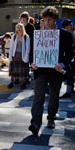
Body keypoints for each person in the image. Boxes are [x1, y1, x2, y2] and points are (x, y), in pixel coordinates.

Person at [28, 6, 74, 136]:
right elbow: (32, 52)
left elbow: (70, 53)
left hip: (56, 71)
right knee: (38, 96)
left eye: (49, 20)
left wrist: (63, 63)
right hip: (41, 71)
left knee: (54, 96)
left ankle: (51, 118)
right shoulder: (38, 35)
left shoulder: (65, 35)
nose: (46, 22)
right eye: (44, 20)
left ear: (55, 20)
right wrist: (33, 63)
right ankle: (35, 123)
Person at [8, 23, 30, 90]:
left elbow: (28, 48)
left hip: (22, 55)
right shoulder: (14, 36)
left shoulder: (26, 37)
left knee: (23, 70)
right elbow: (11, 47)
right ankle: (12, 82)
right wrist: (10, 56)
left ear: (23, 28)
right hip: (15, 55)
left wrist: (26, 57)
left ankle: (24, 83)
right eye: (18, 27)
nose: (19, 29)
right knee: (13, 70)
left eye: (20, 27)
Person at [60, 19, 75, 98]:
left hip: (71, 58)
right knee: (68, 74)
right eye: (70, 25)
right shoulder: (63, 35)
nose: (72, 26)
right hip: (67, 59)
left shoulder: (72, 34)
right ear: (66, 26)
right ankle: (69, 90)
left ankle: (70, 90)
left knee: (70, 74)